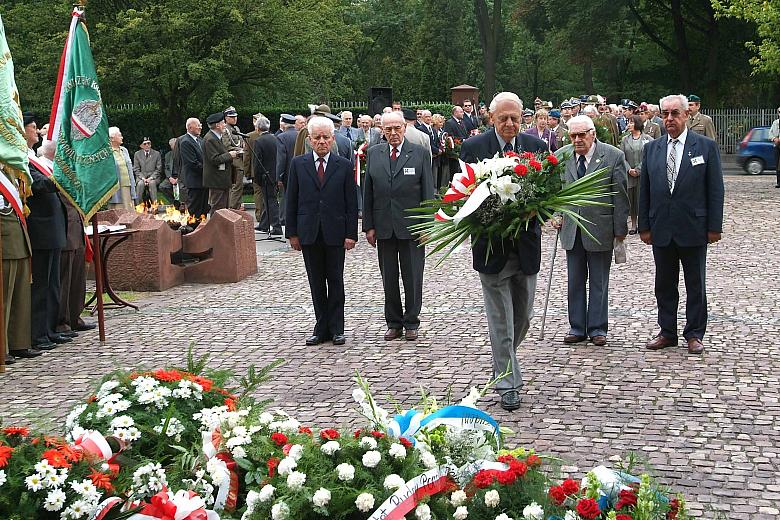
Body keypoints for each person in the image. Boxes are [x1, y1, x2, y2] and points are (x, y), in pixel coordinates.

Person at [460, 92, 547, 411]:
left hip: (526, 246)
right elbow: (464, 198)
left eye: (515, 118)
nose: (510, 124)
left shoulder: (536, 147)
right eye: (503, 118)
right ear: (491, 118)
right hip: (491, 249)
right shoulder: (473, 149)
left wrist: (534, 211)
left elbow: (549, 199)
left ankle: (502, 360)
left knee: (522, 318)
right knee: (501, 322)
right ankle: (508, 383)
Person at [639, 94, 725, 355]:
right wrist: (644, 225)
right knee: (664, 283)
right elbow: (646, 190)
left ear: (686, 115)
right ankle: (667, 331)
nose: (669, 119)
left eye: (675, 113)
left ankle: (694, 333)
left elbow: (715, 189)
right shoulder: (652, 148)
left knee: (695, 283)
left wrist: (714, 226)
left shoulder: (705, 147)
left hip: (694, 227)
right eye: (665, 114)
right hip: (662, 227)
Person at [554, 115, 629, 347]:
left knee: (599, 280)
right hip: (571, 228)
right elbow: (555, 191)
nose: (577, 140)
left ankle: (597, 328)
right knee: (575, 280)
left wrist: (620, 230)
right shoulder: (561, 156)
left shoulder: (613, 155)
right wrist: (556, 214)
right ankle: (576, 326)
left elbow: (620, 195)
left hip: (601, 228)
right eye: (573, 135)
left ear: (592, 133)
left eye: (581, 135)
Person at [286, 116, 358, 346]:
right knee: (316, 282)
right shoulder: (298, 165)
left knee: (335, 281)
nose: (322, 141)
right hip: (309, 232)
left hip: (335, 232)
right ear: (309, 140)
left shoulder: (344, 166)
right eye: (317, 137)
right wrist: (292, 233)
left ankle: (337, 328)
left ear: (333, 139)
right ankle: (321, 327)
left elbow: (351, 204)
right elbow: (291, 200)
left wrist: (351, 233)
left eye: (326, 137)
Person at [363, 111, 435, 342]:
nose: (393, 134)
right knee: (389, 277)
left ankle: (412, 321)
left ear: (404, 127)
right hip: (384, 225)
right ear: (382, 131)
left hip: (413, 226)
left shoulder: (420, 154)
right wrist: (369, 226)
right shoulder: (374, 153)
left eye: (397, 128)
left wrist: (427, 225)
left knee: (413, 276)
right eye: (388, 130)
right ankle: (393, 322)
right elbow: (368, 192)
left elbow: (427, 192)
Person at [35, 140, 92, 336]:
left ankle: (74, 316)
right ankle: (61, 322)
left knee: (77, 277)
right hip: (62, 229)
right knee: (63, 279)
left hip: (74, 227)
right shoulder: (41, 166)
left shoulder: (62, 168)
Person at [24, 116, 70, 352]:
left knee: (52, 283)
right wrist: (60, 179)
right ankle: (38, 333)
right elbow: (37, 185)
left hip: (53, 226)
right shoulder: (22, 159)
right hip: (40, 227)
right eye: (33, 128)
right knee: (41, 283)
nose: (37, 132)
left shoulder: (34, 158)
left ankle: (50, 329)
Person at [0, 156, 36, 363]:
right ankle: (2, 348)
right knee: (4, 299)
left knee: (20, 297)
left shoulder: (9, 173)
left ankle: (18, 343)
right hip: (5, 244)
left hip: (19, 241)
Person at [620, 115, 652, 234]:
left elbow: (649, 156)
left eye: (631, 122)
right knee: (631, 200)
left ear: (637, 124)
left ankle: (643, 223)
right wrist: (629, 169)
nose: (629, 125)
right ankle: (633, 224)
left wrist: (639, 169)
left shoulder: (648, 139)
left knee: (642, 199)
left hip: (643, 174)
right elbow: (622, 156)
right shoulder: (624, 140)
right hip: (629, 175)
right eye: (628, 122)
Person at [252, 114, 282, 235]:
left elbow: (257, 162)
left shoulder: (259, 141)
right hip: (275, 173)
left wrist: (257, 178)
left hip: (265, 176)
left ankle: (276, 226)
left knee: (270, 200)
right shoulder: (276, 138)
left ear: (257, 128)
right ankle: (264, 224)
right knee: (268, 199)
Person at [203, 112, 238, 216]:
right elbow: (214, 159)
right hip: (216, 179)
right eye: (223, 122)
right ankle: (216, 230)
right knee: (218, 207)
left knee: (223, 207)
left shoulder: (217, 137)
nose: (224, 125)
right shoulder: (210, 139)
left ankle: (222, 229)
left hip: (222, 178)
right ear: (217, 125)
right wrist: (230, 155)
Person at [178, 118, 206, 218]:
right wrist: (207, 170)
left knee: (203, 210)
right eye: (197, 125)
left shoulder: (200, 140)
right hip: (194, 182)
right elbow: (192, 163)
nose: (200, 127)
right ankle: (193, 231)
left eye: (200, 125)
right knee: (195, 211)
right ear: (190, 127)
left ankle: (202, 230)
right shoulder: (186, 142)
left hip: (203, 181)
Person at [276, 114, 299, 228]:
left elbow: (281, 159)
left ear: (284, 124)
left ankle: (284, 218)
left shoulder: (281, 137)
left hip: (287, 172)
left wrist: (279, 176)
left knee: (285, 196)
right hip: (300, 170)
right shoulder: (300, 135)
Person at [222, 106, 246, 210]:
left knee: (239, 186)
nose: (234, 118)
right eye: (232, 117)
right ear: (226, 118)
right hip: (233, 161)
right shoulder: (225, 130)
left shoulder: (236, 129)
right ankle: (232, 208)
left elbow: (240, 142)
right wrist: (239, 150)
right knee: (235, 186)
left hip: (240, 160)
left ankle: (236, 206)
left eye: (235, 116)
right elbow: (226, 146)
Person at [108, 127, 137, 210]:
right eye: (119, 135)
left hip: (128, 185)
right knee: (119, 212)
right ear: (112, 138)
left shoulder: (124, 150)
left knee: (130, 210)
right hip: (116, 188)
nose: (122, 137)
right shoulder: (107, 152)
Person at [132, 137, 163, 205]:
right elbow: (136, 169)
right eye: (145, 144)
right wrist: (143, 178)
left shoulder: (156, 154)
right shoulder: (137, 154)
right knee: (140, 184)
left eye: (149, 143)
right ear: (141, 146)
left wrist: (150, 178)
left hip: (153, 177)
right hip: (141, 177)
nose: (147, 145)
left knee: (152, 183)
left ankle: (155, 206)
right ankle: (139, 206)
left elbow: (158, 169)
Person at [160, 137, 184, 210]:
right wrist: (170, 177)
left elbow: (185, 168)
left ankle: (182, 203)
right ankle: (174, 202)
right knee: (162, 186)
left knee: (182, 187)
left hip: (181, 176)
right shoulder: (168, 155)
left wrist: (178, 179)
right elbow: (166, 168)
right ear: (171, 146)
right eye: (173, 145)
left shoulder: (183, 154)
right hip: (171, 177)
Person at [770, 106, 780, 188]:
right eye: (779, 112)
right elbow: (770, 134)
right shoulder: (775, 123)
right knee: (777, 165)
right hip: (777, 146)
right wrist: (774, 138)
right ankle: (779, 182)